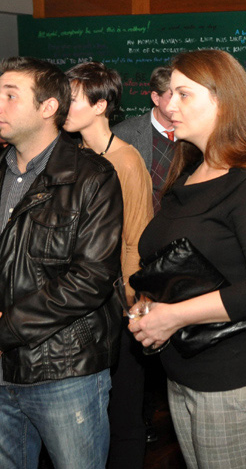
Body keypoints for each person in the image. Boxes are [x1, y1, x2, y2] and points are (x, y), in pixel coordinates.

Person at [128, 49, 246, 469]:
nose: (169, 105)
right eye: (170, 94)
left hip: (235, 375)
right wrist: (152, 307)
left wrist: (174, 316)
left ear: (222, 101)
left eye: (184, 94)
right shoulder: (188, 174)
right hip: (185, 369)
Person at [0, 56, 123, 468]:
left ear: (48, 107)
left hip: (62, 371)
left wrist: (1, 332)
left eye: (10, 95)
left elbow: (90, 279)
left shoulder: (92, 176)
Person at [64, 61, 154, 469]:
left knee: (124, 411)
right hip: (75, 302)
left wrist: (130, 304)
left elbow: (136, 238)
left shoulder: (126, 160)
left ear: (100, 105)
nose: (63, 106)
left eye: (73, 99)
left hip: (116, 304)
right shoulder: (68, 157)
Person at [112, 66, 176, 212]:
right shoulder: (124, 134)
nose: (180, 103)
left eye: (183, 95)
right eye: (172, 96)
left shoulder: (196, 133)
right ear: (156, 98)